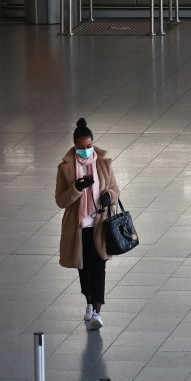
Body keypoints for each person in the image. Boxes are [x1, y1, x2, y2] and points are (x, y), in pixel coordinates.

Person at [55, 118, 121, 330]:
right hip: (79, 226)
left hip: (100, 224)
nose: (86, 151)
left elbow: (115, 190)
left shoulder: (103, 164)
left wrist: (107, 196)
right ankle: (89, 305)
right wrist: (76, 188)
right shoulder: (65, 168)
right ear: (75, 146)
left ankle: (97, 312)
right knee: (84, 268)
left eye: (89, 146)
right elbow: (60, 201)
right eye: (82, 147)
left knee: (99, 265)